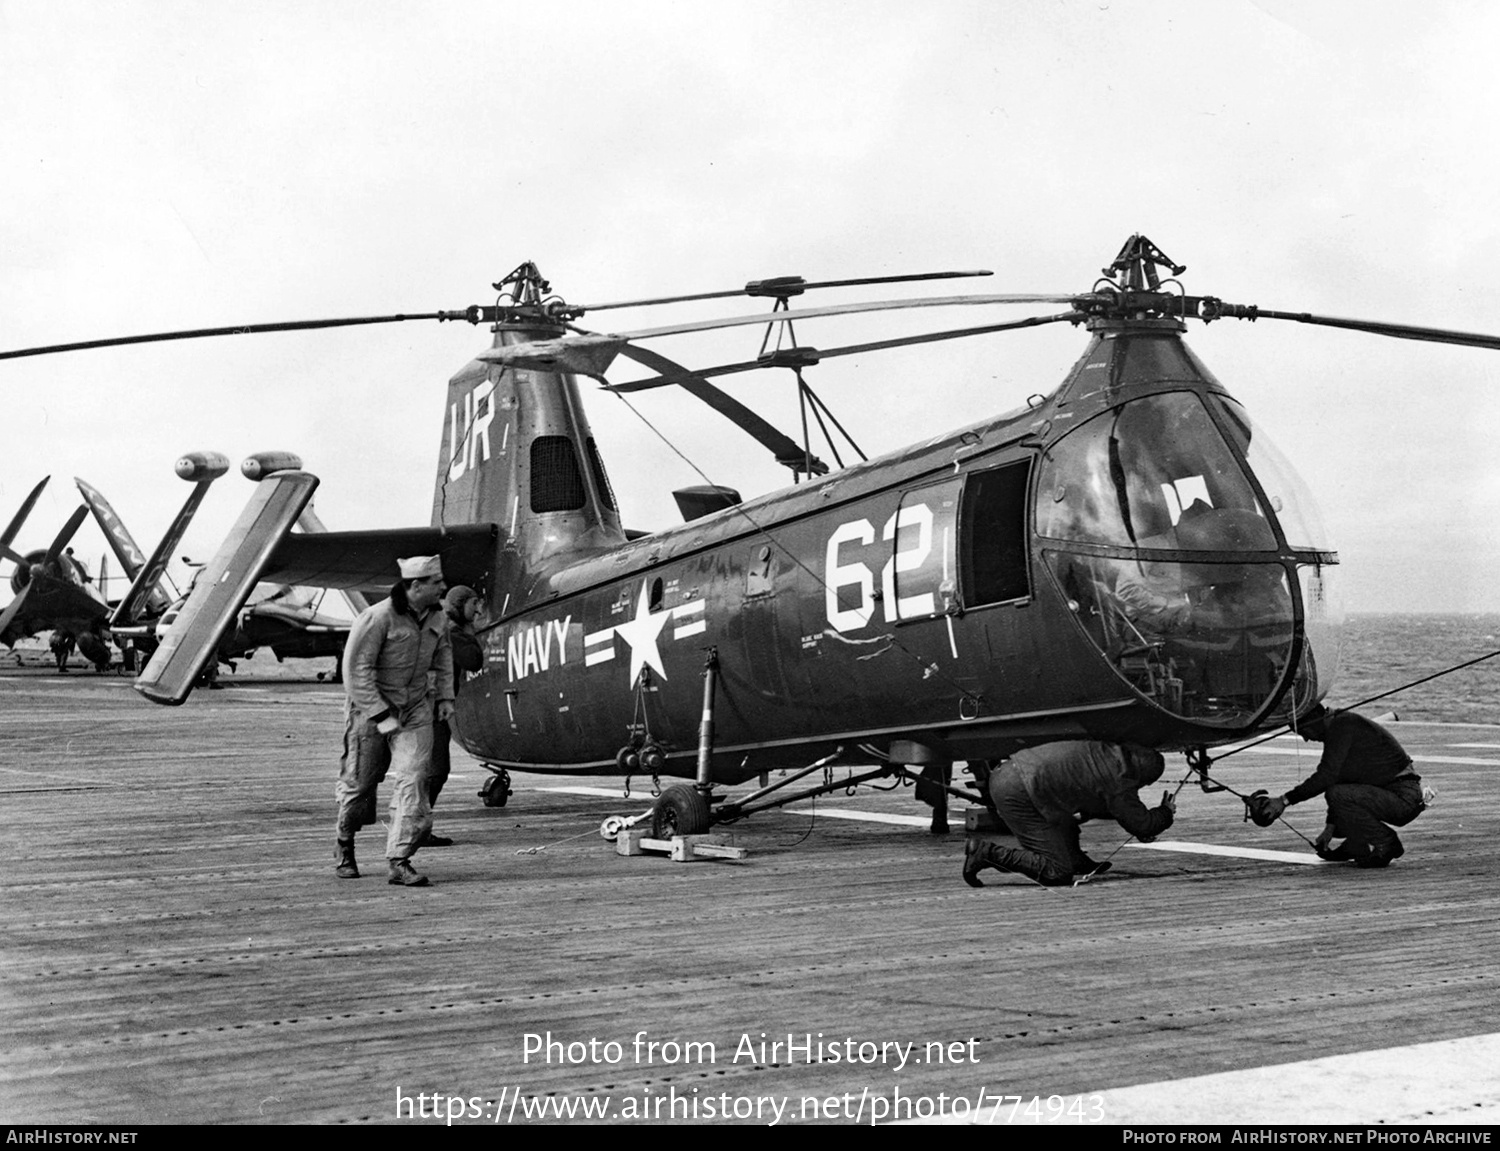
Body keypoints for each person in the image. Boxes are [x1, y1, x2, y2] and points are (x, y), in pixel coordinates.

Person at [334, 555, 454, 887]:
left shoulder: (437, 616)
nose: (443, 587)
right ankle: (344, 843)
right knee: (360, 784)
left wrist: (445, 697)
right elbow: (356, 672)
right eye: (436, 582)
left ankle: (399, 860)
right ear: (415, 586)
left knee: (415, 778)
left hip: (416, 707)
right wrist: (380, 715)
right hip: (370, 709)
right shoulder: (376, 618)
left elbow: (443, 655)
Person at [963, 741, 1175, 887]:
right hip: (1017, 793)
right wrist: (1165, 811)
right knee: (1056, 871)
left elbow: (1107, 807)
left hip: (1013, 772)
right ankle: (987, 853)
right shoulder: (1120, 780)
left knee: (1064, 816)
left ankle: (1075, 859)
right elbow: (1143, 824)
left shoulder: (1107, 751)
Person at [1246, 705, 1423, 868]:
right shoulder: (1342, 725)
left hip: (1402, 797)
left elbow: (1327, 776)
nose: (1306, 738)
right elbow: (1340, 778)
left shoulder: (1342, 726)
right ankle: (1356, 845)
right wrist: (1329, 829)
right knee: (1338, 799)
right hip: (1396, 794)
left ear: (1311, 721)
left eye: (1302, 731)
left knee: (1337, 794)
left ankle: (1386, 842)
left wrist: (1284, 801)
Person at [423, 585, 484, 846]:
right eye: (472, 604)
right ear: (460, 606)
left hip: (432, 705)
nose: (477, 610)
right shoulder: (454, 632)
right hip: (432, 708)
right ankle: (416, 828)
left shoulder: (441, 625)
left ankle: (418, 826)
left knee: (431, 770)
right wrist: (472, 631)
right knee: (435, 770)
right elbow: (473, 660)